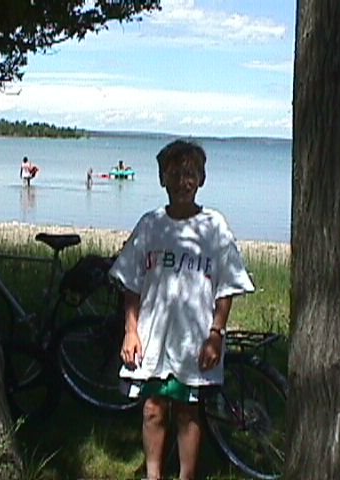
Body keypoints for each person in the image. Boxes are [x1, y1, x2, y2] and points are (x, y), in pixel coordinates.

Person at [109, 139, 255, 480]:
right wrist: (131, 330)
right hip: (153, 337)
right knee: (153, 410)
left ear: (201, 179)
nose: (182, 181)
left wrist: (216, 334)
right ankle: (154, 474)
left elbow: (227, 286)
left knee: (188, 412)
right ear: (162, 178)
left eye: (190, 173)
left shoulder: (214, 226)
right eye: (174, 173)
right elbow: (132, 282)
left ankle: (187, 475)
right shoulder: (150, 225)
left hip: (194, 339)